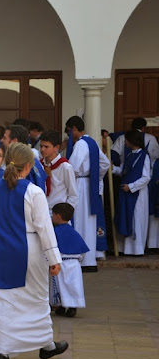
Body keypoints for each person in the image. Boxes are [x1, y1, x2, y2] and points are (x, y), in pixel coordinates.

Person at [0, 142, 67, 359]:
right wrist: (54, 258)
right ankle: (46, 346)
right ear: (28, 166)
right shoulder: (33, 192)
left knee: (1, 303)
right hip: (27, 248)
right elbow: (44, 228)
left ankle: (2, 352)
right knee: (35, 299)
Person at [65, 116, 111, 271]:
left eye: (69, 132)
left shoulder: (80, 145)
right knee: (89, 222)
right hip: (89, 183)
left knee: (79, 220)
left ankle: (82, 259)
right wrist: (95, 177)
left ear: (75, 129)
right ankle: (90, 259)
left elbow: (72, 167)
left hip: (80, 184)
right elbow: (104, 163)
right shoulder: (92, 143)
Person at [112, 130, 151, 256]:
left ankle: (137, 249)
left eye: (126, 140)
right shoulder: (129, 155)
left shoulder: (144, 156)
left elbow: (146, 177)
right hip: (126, 192)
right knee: (126, 217)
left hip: (138, 194)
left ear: (132, 141)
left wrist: (132, 186)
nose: (125, 142)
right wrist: (112, 168)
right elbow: (122, 171)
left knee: (136, 219)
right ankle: (125, 248)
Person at [50, 203, 89, 318]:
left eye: (52, 215)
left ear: (58, 216)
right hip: (74, 264)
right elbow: (82, 251)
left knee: (60, 285)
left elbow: (51, 248)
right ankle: (70, 307)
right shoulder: (74, 232)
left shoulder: (55, 232)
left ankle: (62, 306)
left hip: (60, 263)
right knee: (74, 286)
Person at [39, 130, 78, 213]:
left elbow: (73, 194)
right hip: (41, 211)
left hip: (58, 213)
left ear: (56, 148)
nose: (42, 149)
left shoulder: (65, 167)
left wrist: (64, 214)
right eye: (41, 146)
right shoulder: (39, 165)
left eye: (46, 147)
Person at [1, 124, 46, 189]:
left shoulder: (29, 164)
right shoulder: (35, 162)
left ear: (14, 141)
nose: (1, 140)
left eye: (4, 138)